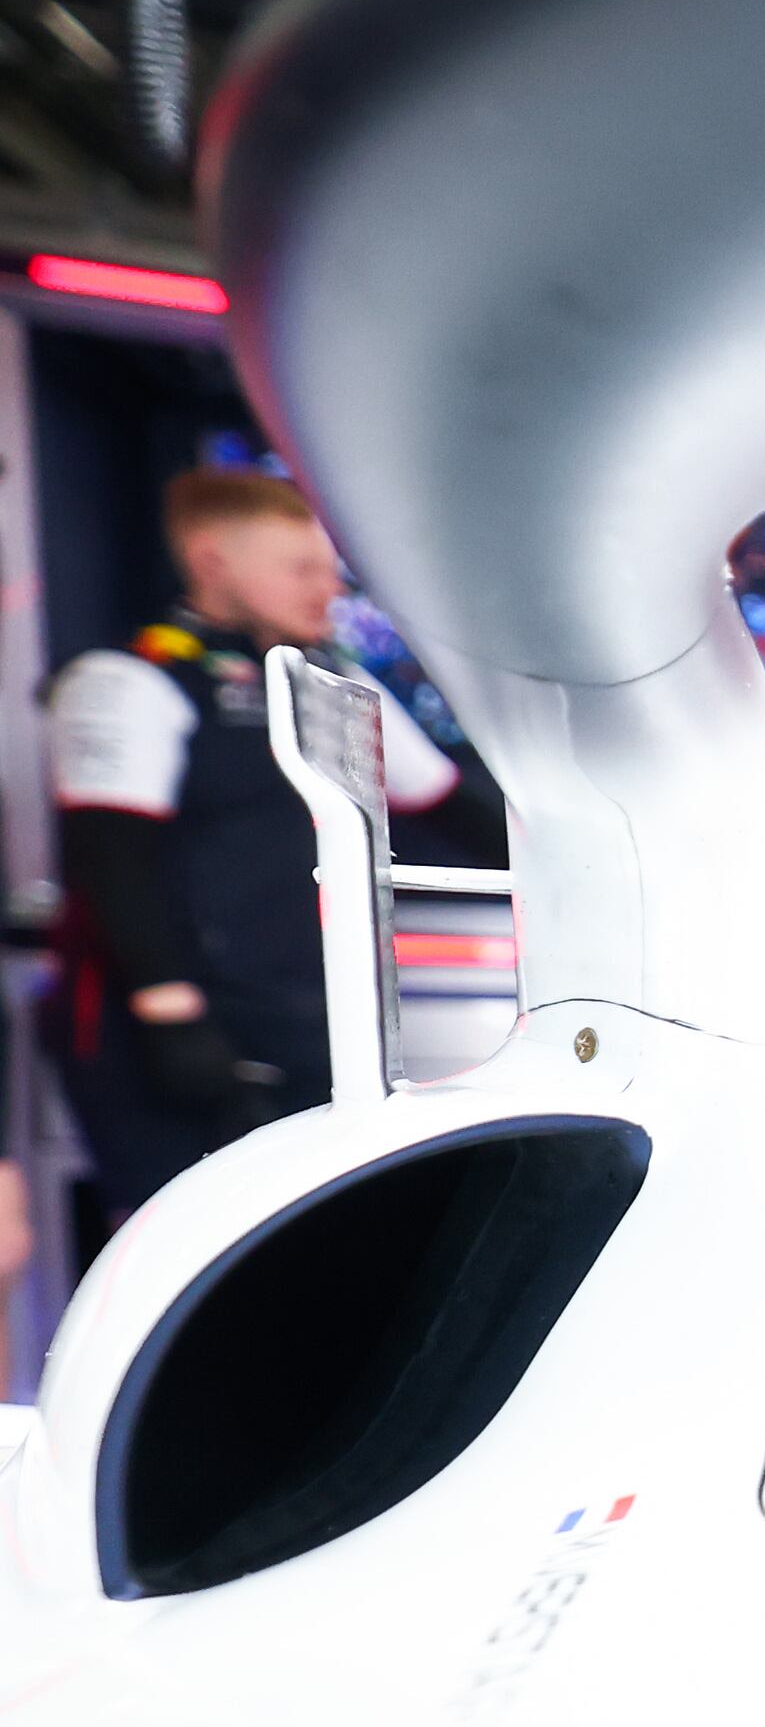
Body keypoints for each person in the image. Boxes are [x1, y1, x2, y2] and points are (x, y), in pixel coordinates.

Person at [39, 468, 476, 1223]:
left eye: (331, 573)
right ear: (215, 562)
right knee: (182, 1250)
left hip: (302, 1025)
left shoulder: (331, 682)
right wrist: (170, 1016)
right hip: (169, 1040)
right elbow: (112, 857)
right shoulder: (130, 679)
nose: (328, 592)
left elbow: (447, 803)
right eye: (302, 569)